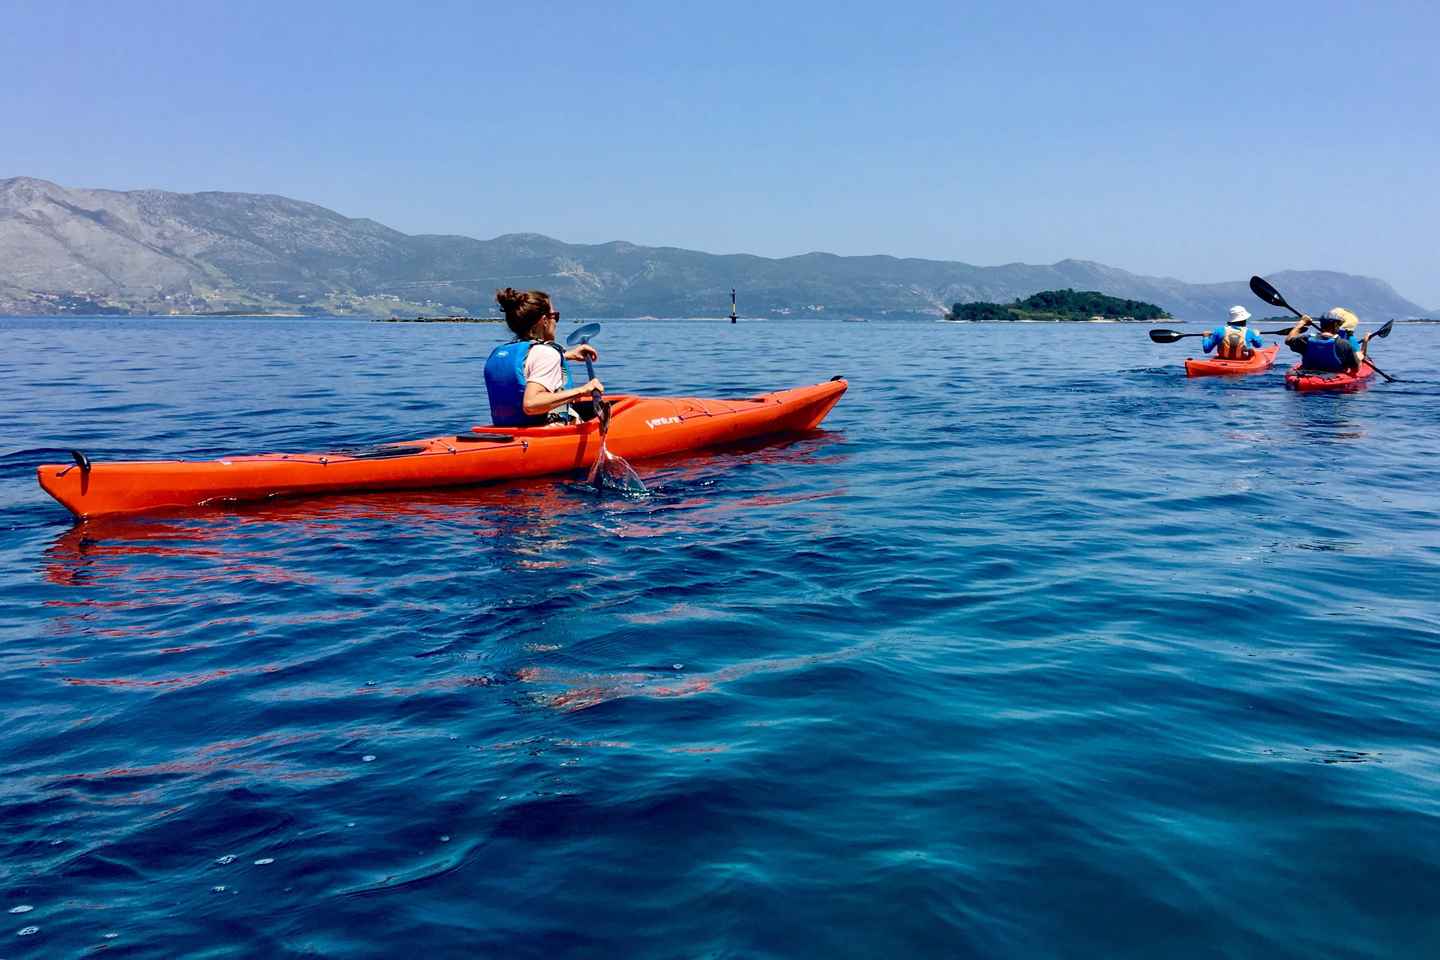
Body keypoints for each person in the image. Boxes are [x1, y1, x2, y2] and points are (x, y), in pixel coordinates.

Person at [484, 288, 602, 426]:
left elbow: (528, 367)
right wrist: (584, 390)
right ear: (545, 321)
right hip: (547, 434)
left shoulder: (503, 353)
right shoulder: (546, 353)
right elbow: (531, 404)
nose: (556, 322)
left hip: (504, 432)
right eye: (555, 316)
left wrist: (567, 356)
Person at [1284, 311, 1366, 373]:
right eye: (1339, 324)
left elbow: (1288, 340)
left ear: (1321, 325)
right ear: (1335, 325)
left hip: (1307, 375)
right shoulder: (1344, 344)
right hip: (1333, 381)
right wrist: (1360, 356)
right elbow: (1355, 370)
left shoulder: (1306, 339)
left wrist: (1302, 323)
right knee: (1359, 355)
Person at [1202, 306, 1266, 359]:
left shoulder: (1219, 331)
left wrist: (1206, 337)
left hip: (1222, 360)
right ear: (1244, 319)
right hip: (1243, 361)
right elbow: (1258, 345)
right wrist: (1257, 335)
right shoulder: (1250, 332)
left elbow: (1207, 349)